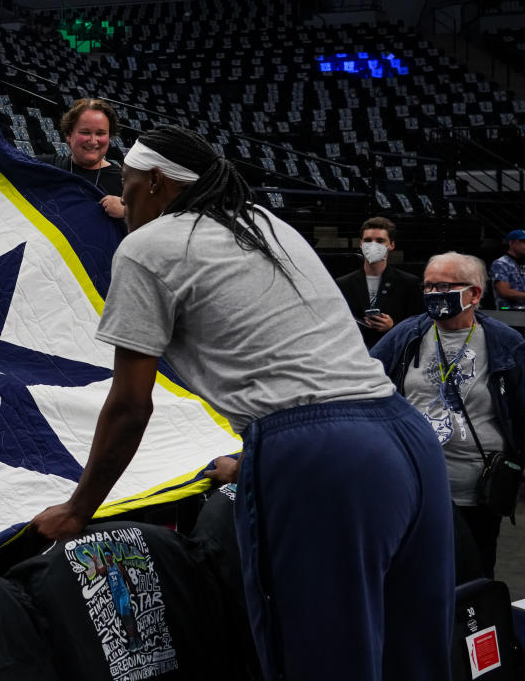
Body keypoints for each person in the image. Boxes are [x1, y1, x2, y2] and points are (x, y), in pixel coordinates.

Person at [30, 124, 453, 681]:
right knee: (415, 657)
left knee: (323, 660)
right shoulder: (268, 224)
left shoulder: (145, 247)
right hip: (406, 437)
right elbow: (300, 366)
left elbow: (131, 406)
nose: (125, 200)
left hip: (321, 457)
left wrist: (77, 510)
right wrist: (255, 459)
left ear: (156, 182)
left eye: (128, 186)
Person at [370, 252, 525, 578]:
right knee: (409, 577)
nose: (433, 294)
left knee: (472, 579)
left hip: (475, 492)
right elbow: (366, 382)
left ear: (475, 294)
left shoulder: (506, 343)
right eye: (428, 286)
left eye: (443, 286)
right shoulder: (407, 334)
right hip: (411, 487)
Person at [333, 216, 422, 347]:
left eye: (380, 241)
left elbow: (420, 325)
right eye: (368, 240)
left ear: (391, 245)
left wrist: (394, 326)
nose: (373, 245)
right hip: (356, 352)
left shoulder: (408, 283)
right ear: (361, 244)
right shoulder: (343, 284)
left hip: (393, 352)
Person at [53, 98, 125, 220]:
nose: (92, 141)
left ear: (109, 137)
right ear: (69, 135)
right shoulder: (46, 168)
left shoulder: (124, 182)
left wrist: (128, 212)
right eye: (85, 132)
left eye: (100, 133)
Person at [490, 228, 525, 310]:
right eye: (523, 241)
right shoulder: (500, 263)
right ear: (511, 243)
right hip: (507, 312)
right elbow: (504, 292)